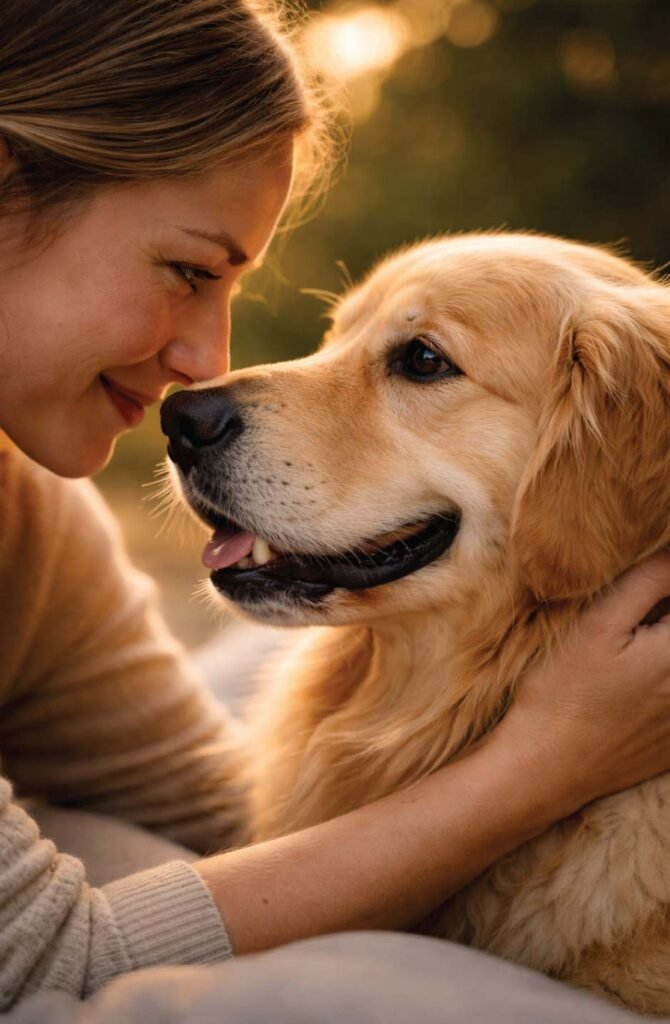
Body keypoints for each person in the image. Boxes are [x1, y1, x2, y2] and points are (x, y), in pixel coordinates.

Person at [0, 0, 669, 1019]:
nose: (209, 368)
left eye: (419, 360)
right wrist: (548, 762)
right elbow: (42, 958)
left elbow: (203, 807)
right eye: (186, 270)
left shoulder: (26, 519)